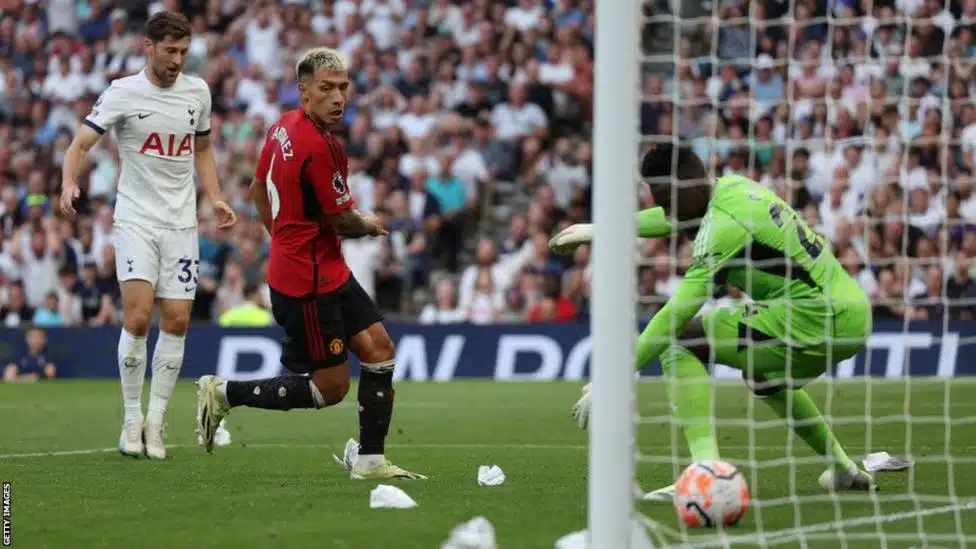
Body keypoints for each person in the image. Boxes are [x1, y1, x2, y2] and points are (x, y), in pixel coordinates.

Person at [551, 143, 875, 497]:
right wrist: (601, 229)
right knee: (763, 376)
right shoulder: (731, 188)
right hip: (848, 313)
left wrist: (611, 379)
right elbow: (672, 219)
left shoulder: (723, 227)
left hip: (815, 317)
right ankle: (843, 468)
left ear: (690, 182)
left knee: (680, 339)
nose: (667, 210)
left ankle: (705, 473)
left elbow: (674, 315)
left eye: (668, 198)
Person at [196, 47, 424, 481]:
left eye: (343, 88)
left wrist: (280, 237)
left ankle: (370, 461)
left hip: (325, 271)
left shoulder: (283, 127)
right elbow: (342, 220)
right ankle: (223, 392)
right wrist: (370, 223)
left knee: (379, 349)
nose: (338, 98)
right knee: (330, 388)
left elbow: (257, 188)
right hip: (308, 286)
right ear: (304, 91)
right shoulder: (321, 147)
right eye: (326, 89)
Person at [59, 11, 237, 460]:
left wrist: (214, 197)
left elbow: (203, 149)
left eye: (183, 51)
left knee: (176, 320)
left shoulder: (198, 92)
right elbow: (80, 143)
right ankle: (131, 418)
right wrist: (68, 182)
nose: (178, 60)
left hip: (181, 223)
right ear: (149, 47)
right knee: (138, 318)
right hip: (135, 219)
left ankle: (157, 424)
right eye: (171, 51)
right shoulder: (122, 93)